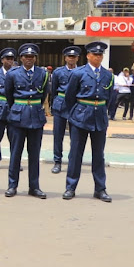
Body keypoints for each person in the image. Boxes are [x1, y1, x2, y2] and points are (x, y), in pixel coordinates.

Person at [63, 41, 115, 202]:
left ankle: (100, 188)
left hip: (99, 117)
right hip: (81, 116)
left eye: (100, 55)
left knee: (98, 155)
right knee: (75, 154)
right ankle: (70, 187)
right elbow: (69, 97)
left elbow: (110, 98)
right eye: (95, 54)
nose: (98, 57)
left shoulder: (108, 75)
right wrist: (74, 114)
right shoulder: (78, 73)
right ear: (88, 56)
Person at [4, 43, 48, 199]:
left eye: (32, 57)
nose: (29, 59)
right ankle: (12, 185)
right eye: (26, 57)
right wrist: (18, 108)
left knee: (34, 154)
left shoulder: (43, 73)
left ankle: (34, 187)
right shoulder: (13, 74)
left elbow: (43, 95)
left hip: (36, 116)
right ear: (21, 58)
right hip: (18, 116)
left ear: (35, 58)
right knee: (15, 153)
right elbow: (9, 96)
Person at [50, 46, 81, 174]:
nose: (71, 59)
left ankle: (72, 161)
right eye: (69, 56)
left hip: (75, 105)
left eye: (74, 57)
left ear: (77, 58)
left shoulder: (81, 71)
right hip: (60, 105)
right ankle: (57, 161)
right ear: (65, 58)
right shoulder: (58, 72)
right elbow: (53, 90)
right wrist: (53, 106)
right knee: (58, 135)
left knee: (75, 137)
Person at [0, 48, 16, 170]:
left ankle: (14, 161)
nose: (10, 61)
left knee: (14, 138)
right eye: (7, 59)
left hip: (13, 108)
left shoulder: (17, 73)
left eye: (12, 59)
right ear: (2, 60)